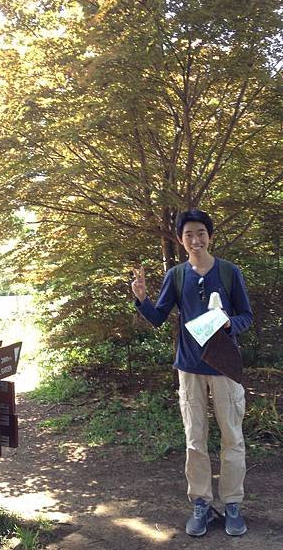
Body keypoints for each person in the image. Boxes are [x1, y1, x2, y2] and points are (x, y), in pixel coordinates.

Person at [131, 209, 253, 537]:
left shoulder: (229, 272)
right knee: (194, 440)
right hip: (189, 367)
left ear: (209, 236)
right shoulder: (177, 276)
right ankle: (200, 501)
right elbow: (158, 318)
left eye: (201, 233)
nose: (195, 240)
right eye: (188, 235)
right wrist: (142, 299)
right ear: (181, 240)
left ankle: (232, 503)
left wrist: (230, 323)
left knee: (232, 436)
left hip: (225, 367)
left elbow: (246, 315)